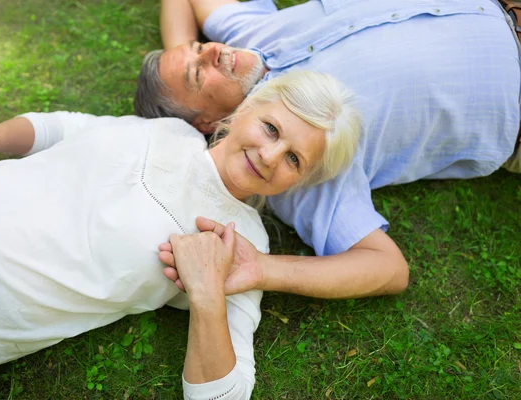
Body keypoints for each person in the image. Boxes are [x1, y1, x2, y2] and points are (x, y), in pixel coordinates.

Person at [0, 71, 360, 399]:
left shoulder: (241, 245)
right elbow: (62, 127)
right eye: (272, 128)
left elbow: (224, 394)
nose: (269, 155)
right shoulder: (171, 130)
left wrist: (207, 295)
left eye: (294, 160)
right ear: (245, 109)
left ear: (297, 183)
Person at [135, 0, 521, 300]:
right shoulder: (293, 169)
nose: (213, 52)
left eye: (199, 46)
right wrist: (264, 269)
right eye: (198, 74)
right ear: (205, 123)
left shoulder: (244, 33)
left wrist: (182, 54)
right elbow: (388, 268)